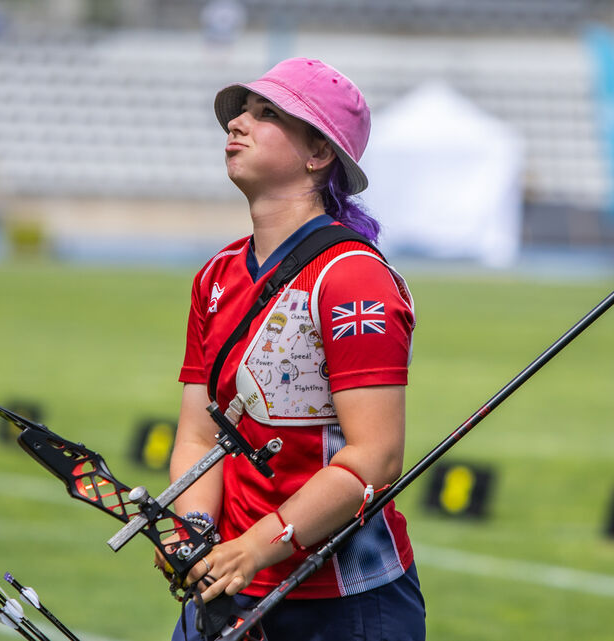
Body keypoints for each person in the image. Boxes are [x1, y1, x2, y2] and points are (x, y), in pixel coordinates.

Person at [165, 58, 425, 640]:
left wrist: (258, 545)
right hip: (226, 583)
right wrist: (195, 534)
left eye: (266, 114)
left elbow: (374, 459)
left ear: (319, 154)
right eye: (240, 112)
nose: (238, 124)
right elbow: (197, 437)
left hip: (341, 597)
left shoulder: (352, 278)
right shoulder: (215, 276)